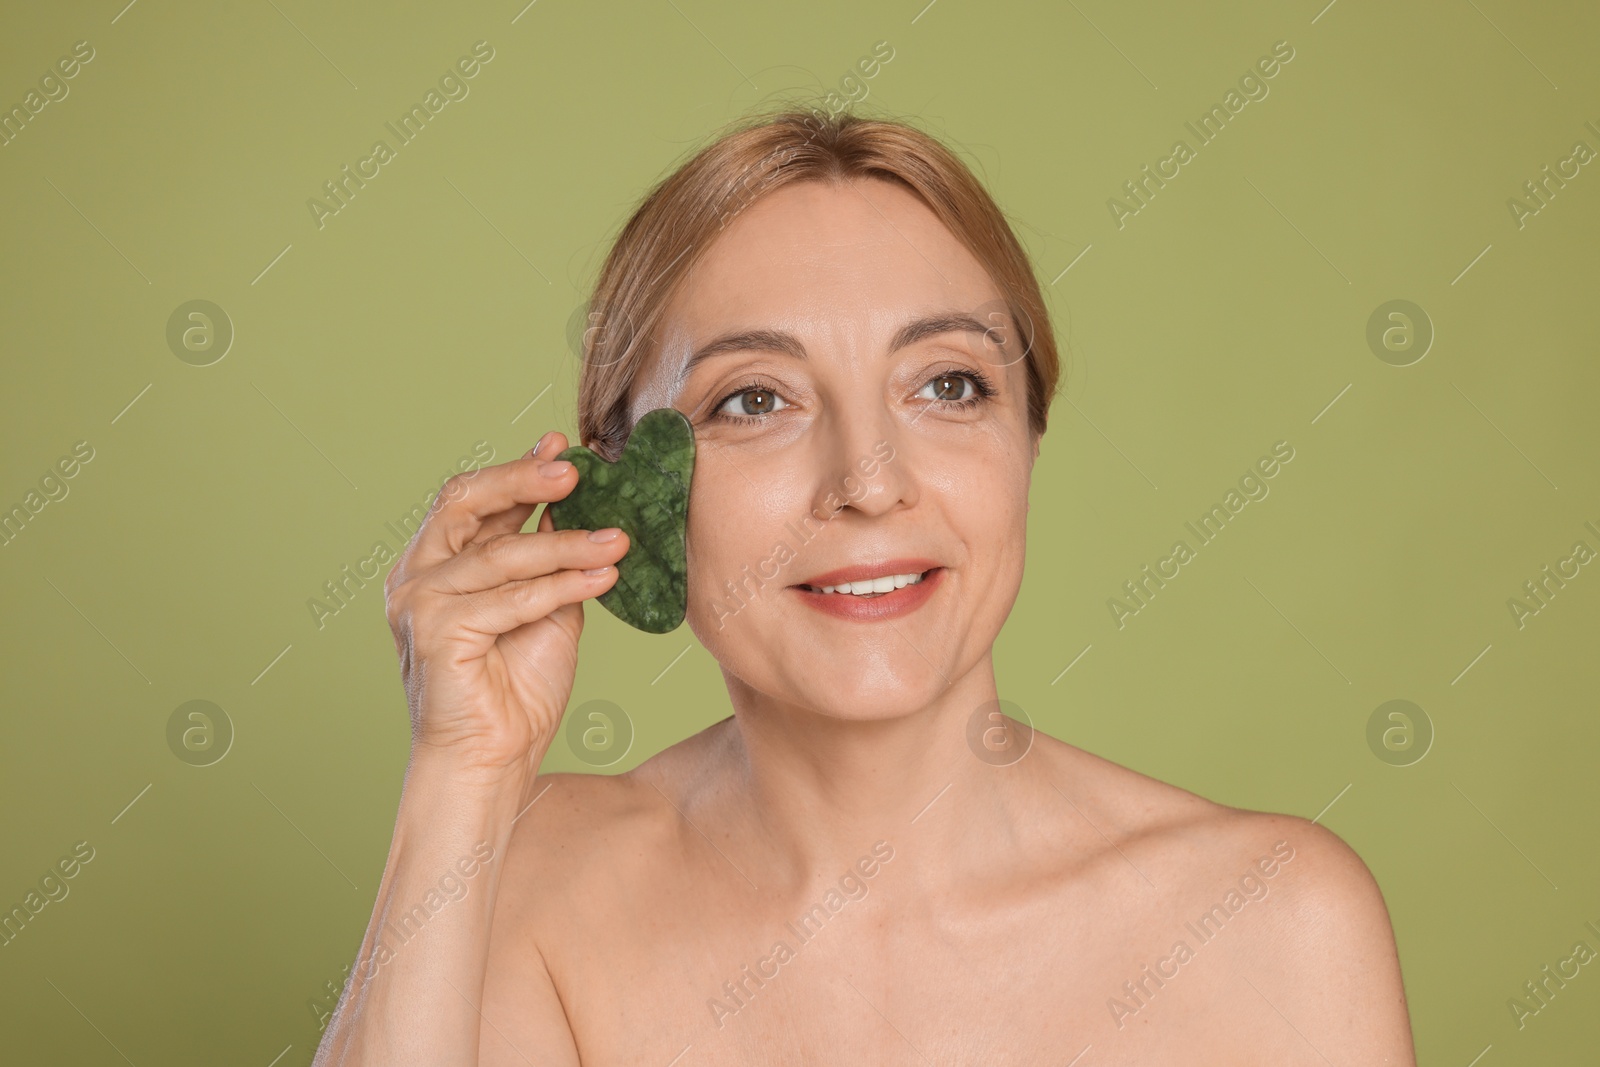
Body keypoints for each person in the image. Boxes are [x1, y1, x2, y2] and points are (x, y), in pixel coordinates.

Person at [314, 107, 1416, 1065]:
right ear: (624, 494)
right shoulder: (523, 879)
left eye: (946, 384)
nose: (868, 483)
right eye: (755, 400)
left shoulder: (1273, 921)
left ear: (1026, 439)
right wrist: (462, 772)